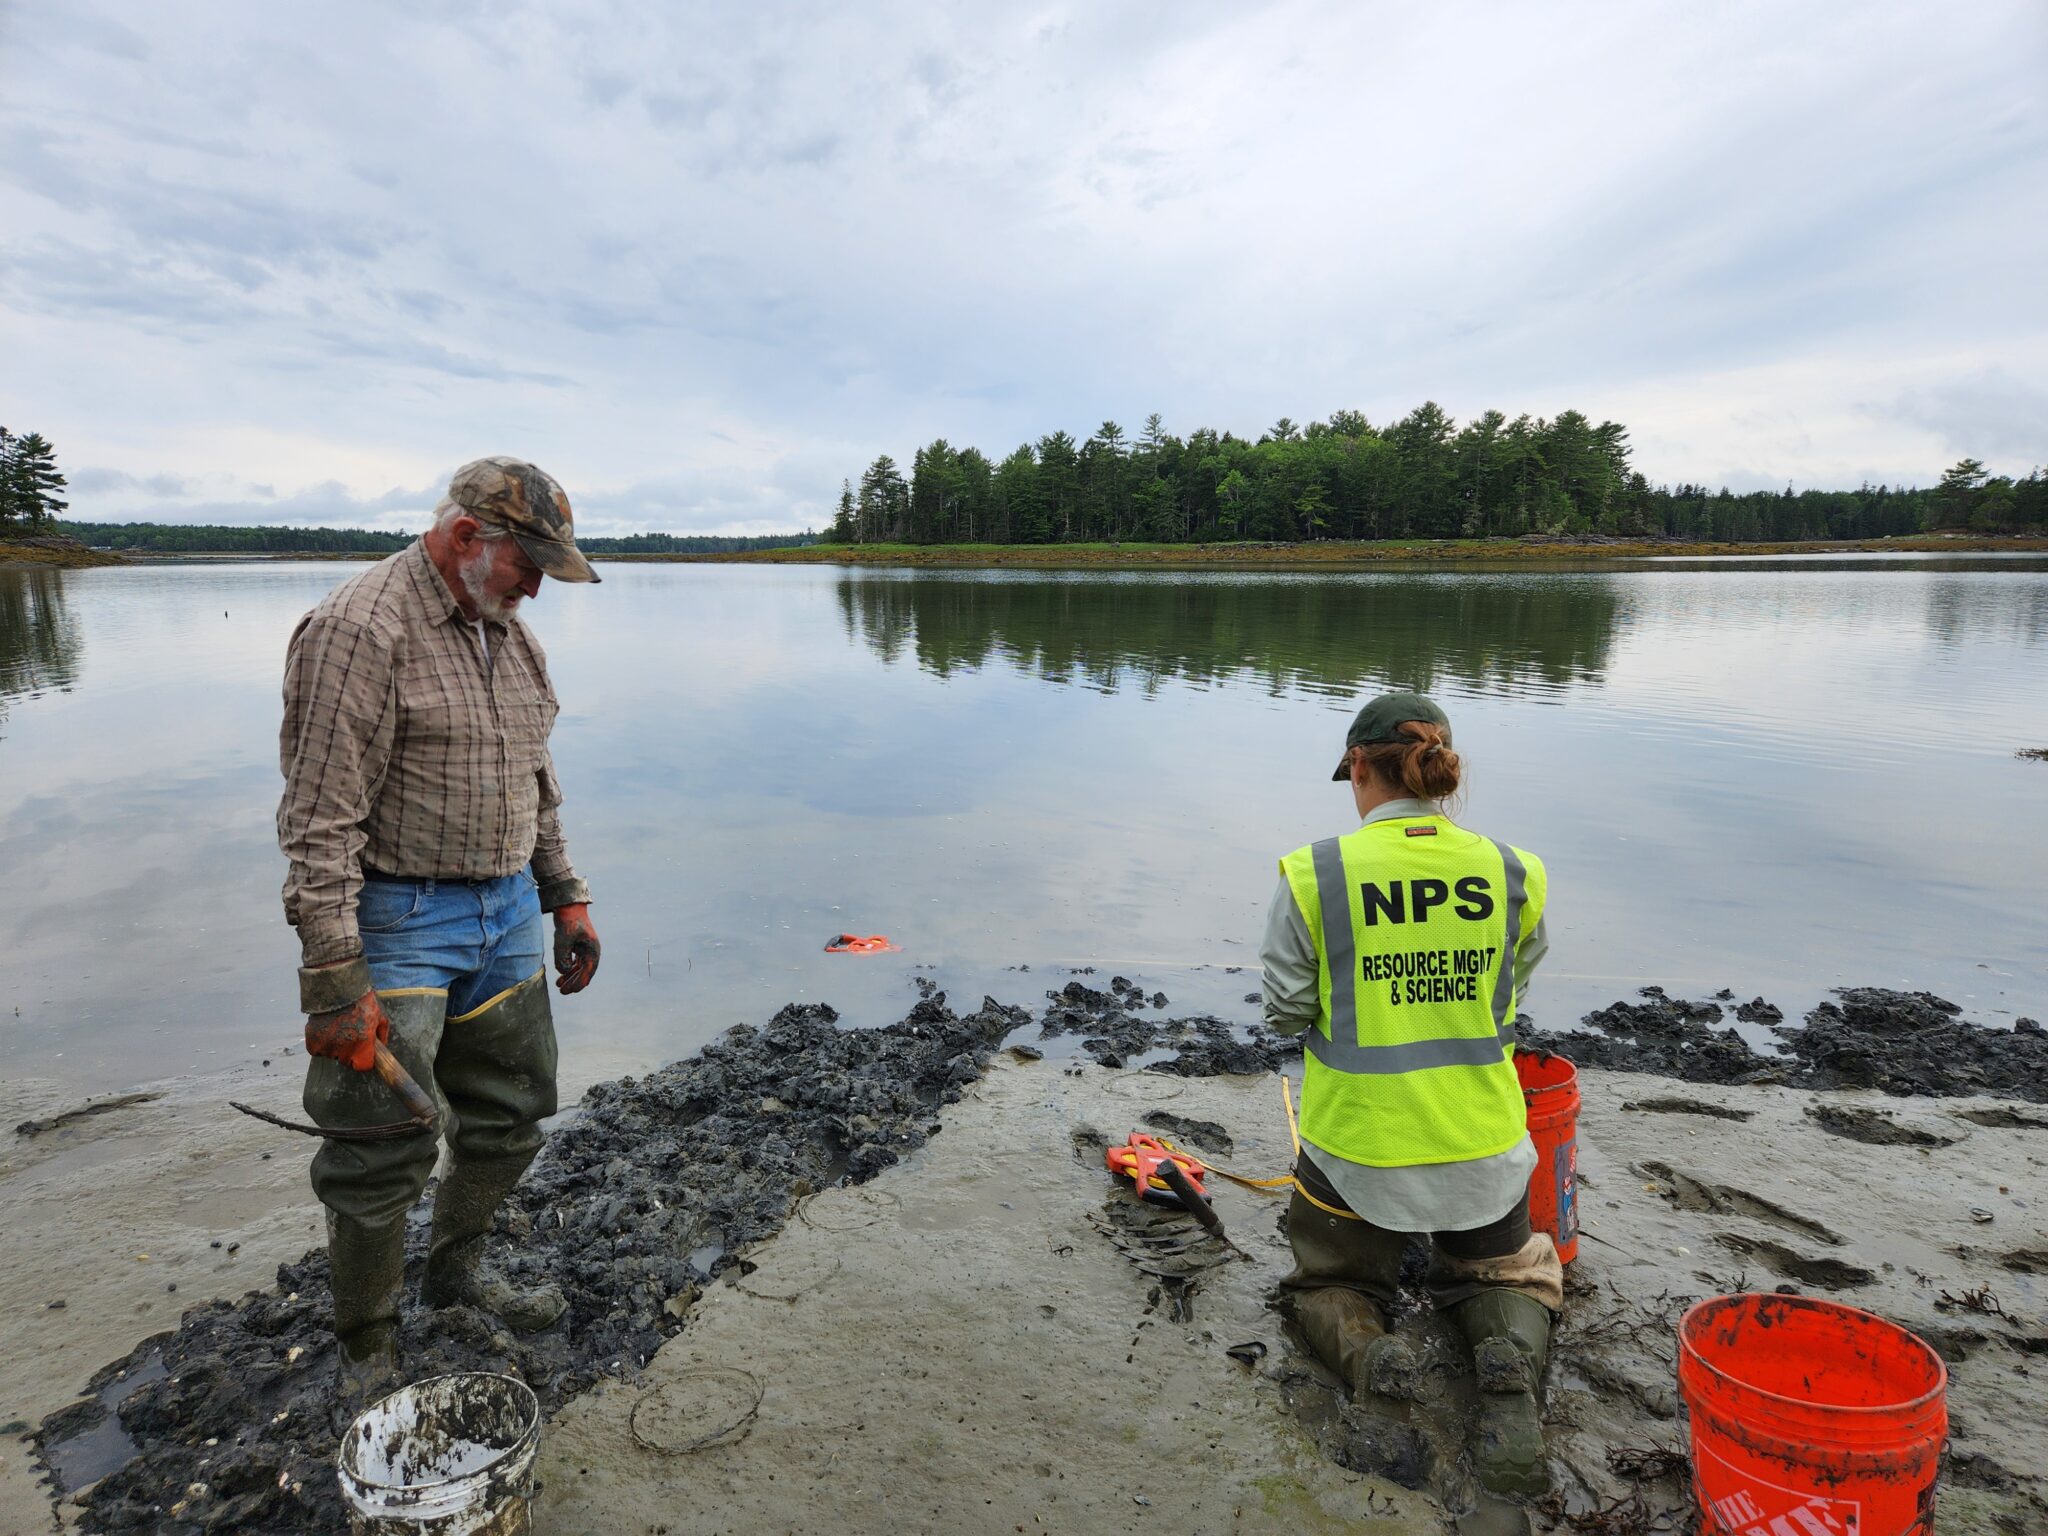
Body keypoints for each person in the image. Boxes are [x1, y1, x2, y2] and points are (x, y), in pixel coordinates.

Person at [277, 456, 604, 1421]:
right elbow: (318, 823)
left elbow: (532, 778)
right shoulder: (357, 630)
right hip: (398, 920)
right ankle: (367, 1345)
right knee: (378, 1142)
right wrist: (336, 982)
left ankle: (457, 1274)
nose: (539, 584)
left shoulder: (509, 635)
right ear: (468, 537)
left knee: (511, 1113)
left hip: (505, 910)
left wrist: (564, 896)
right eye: (528, 562)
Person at [1261, 690, 1559, 1497]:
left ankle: (1373, 1356)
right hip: (1485, 1139)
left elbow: (1288, 1009)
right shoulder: (1515, 870)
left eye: (1350, 774)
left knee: (1332, 1283)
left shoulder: (1313, 872)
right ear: (1439, 768)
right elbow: (1505, 1003)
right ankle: (1506, 1367)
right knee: (1506, 1275)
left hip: (1356, 1149)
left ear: (1360, 766)